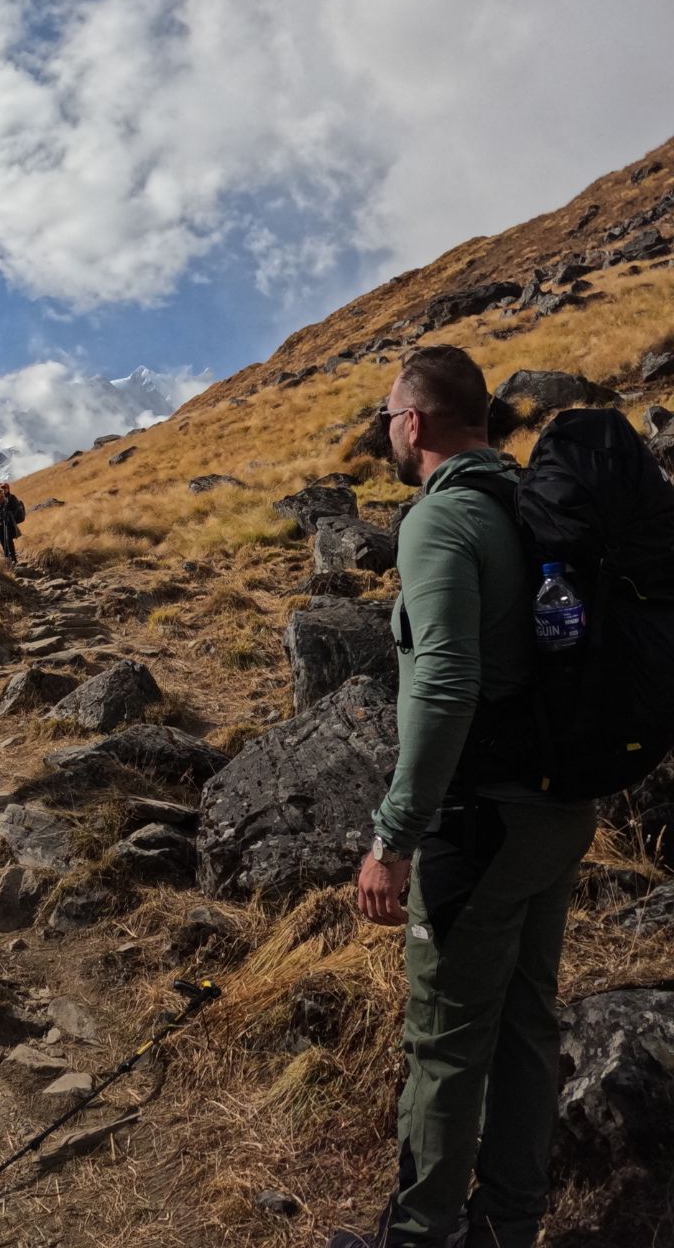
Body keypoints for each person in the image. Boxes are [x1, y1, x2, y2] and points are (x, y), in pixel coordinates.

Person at [330, 346, 597, 1248]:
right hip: (558, 811)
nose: (386, 433)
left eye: (388, 417)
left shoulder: (438, 524)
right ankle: (507, 1228)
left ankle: (419, 1237)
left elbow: (443, 681)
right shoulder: (530, 507)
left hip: (479, 823)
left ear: (414, 421)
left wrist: (393, 837)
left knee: (445, 1045)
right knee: (527, 1025)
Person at [0, 482, 25, 564]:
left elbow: (17, 508)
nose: (4, 490)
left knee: (9, 539)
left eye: (5, 488)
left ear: (8, 489)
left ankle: (13, 557)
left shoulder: (12, 497)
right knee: (2, 539)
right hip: (1, 521)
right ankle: (7, 556)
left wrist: (9, 513)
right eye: (2, 489)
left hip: (9, 521)